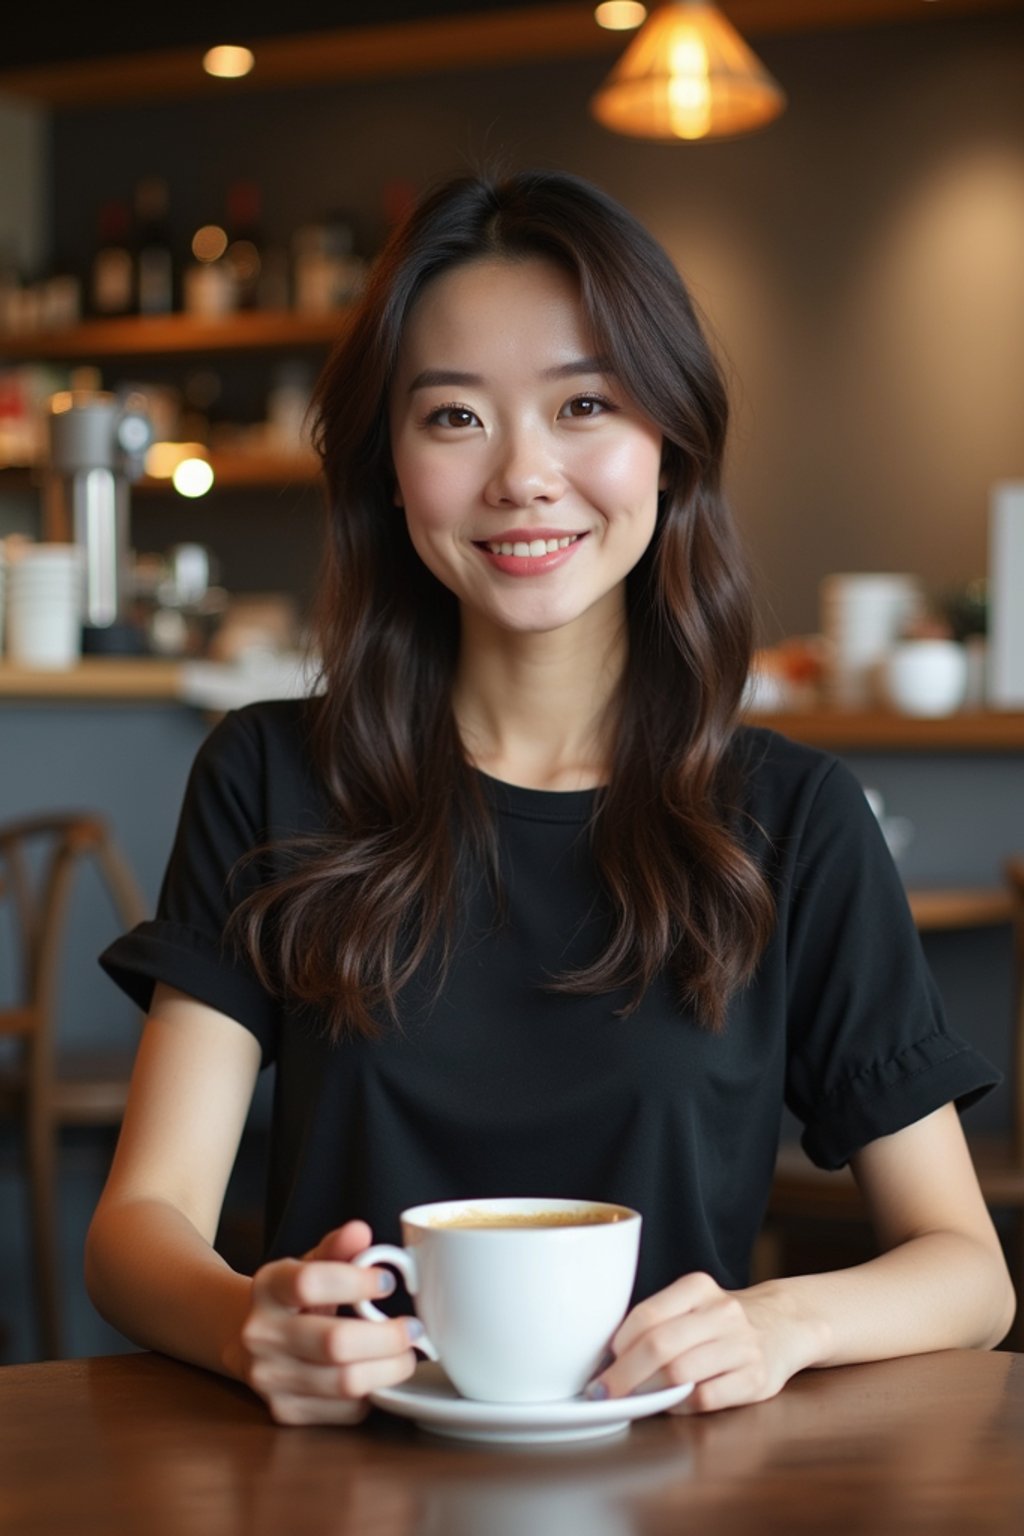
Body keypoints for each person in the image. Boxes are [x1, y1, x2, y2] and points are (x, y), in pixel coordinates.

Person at [87, 168, 1015, 1426]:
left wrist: (779, 1322)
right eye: (455, 418)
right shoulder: (270, 777)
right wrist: (250, 1322)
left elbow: (968, 1273)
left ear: (669, 442)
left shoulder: (790, 819)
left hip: (675, 1483)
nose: (523, 476)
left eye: (585, 403)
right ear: (388, 467)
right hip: (337, 1485)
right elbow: (141, 1227)